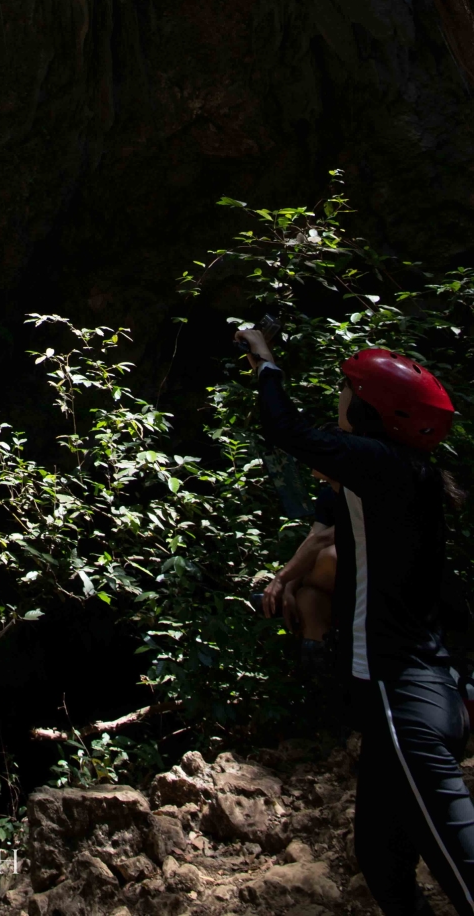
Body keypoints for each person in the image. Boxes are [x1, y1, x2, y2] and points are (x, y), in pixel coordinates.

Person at [236, 325, 472, 916]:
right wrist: (288, 576)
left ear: (370, 411)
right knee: (383, 863)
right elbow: (324, 530)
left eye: (346, 390)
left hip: (403, 699)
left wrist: (265, 360)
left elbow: (284, 429)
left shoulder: (380, 465)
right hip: (425, 691)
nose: (339, 397)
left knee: (466, 876)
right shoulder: (404, 472)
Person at [259, 476, 338, 664]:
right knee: (306, 599)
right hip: (329, 585)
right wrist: (288, 587)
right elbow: (313, 540)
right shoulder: (329, 496)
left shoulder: (365, 492)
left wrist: (283, 580)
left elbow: (324, 540)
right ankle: (322, 666)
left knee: (331, 556)